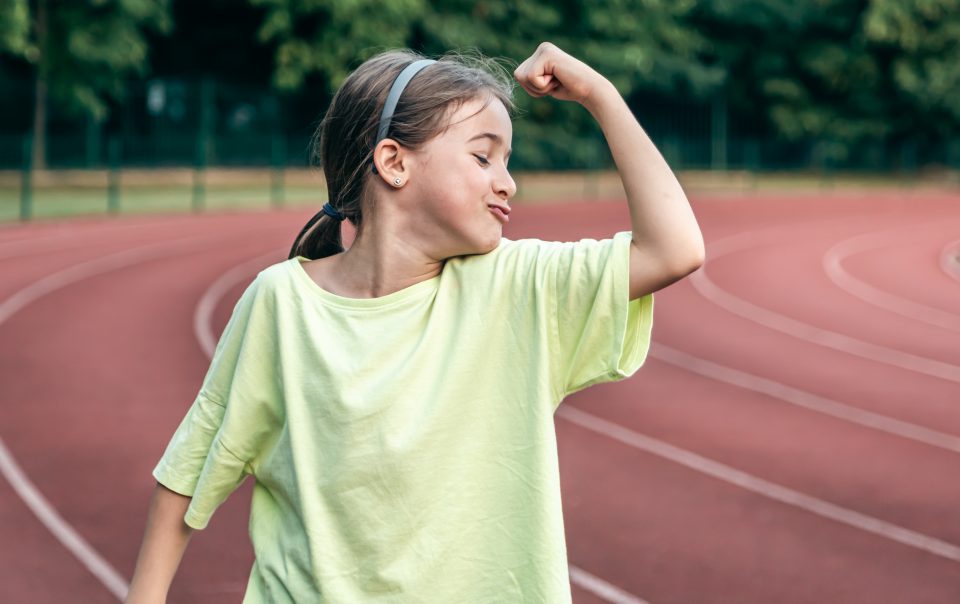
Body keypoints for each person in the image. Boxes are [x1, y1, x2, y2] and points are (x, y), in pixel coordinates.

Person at [125, 42, 704, 603]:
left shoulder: (515, 288)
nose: (508, 182)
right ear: (395, 162)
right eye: (483, 157)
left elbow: (673, 249)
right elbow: (192, 471)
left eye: (508, 161)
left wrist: (599, 94)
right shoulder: (281, 303)